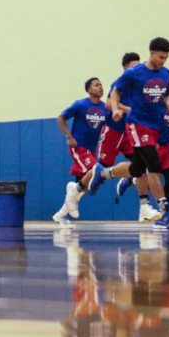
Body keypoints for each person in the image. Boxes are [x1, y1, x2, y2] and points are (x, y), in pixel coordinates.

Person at [83, 38, 169, 230]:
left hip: (154, 126)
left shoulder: (165, 74)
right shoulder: (135, 73)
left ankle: (104, 172)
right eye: (160, 57)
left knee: (136, 170)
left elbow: (163, 96)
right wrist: (115, 109)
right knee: (153, 165)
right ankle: (166, 211)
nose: (163, 61)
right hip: (137, 124)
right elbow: (114, 93)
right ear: (151, 52)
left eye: (166, 58)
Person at [52, 77, 108, 229]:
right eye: (96, 85)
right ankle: (71, 192)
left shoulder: (105, 108)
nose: (100, 87)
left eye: (101, 85)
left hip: (92, 149)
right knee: (94, 171)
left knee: (85, 186)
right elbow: (61, 117)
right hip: (79, 146)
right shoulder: (81, 104)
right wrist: (69, 137)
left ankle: (61, 214)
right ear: (89, 90)